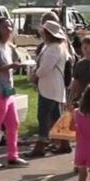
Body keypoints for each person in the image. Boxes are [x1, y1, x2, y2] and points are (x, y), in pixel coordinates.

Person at [0, 17, 28, 169]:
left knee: (13, 124)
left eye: (10, 26)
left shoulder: (7, 47)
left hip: (8, 92)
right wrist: (9, 67)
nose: (8, 29)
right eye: (4, 26)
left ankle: (13, 156)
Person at [26, 20, 69, 158]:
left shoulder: (54, 48)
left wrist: (35, 75)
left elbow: (45, 67)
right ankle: (64, 143)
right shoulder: (52, 46)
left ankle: (41, 145)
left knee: (43, 116)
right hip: (52, 86)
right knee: (55, 116)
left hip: (50, 86)